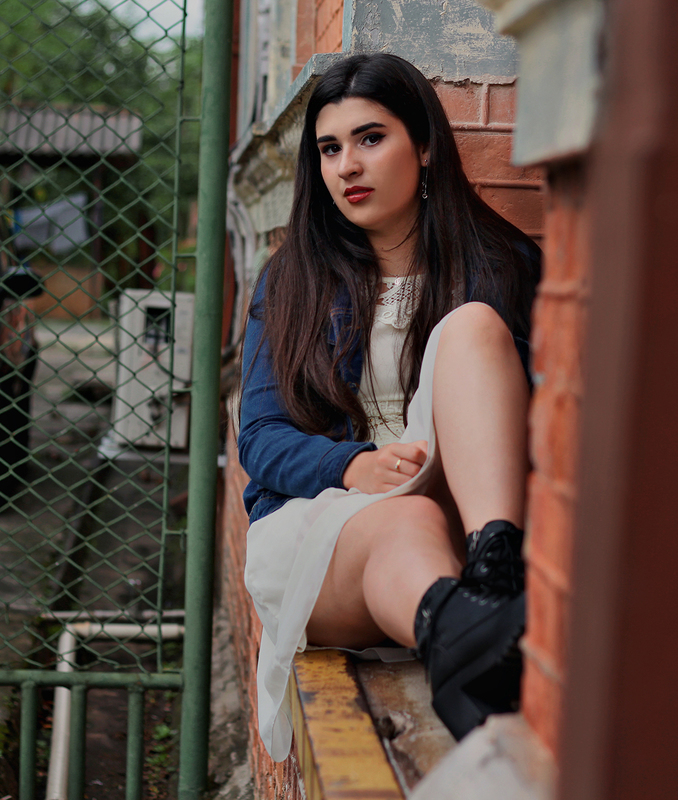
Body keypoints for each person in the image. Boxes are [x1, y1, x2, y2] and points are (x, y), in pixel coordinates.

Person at [238, 52, 541, 762]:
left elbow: (538, 418)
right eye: (330, 148)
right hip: (319, 529)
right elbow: (260, 436)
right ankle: (475, 632)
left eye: (371, 138)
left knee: (472, 327)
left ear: (426, 146)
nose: (347, 166)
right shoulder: (292, 280)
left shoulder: (500, 264)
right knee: (404, 515)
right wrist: (351, 466)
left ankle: (490, 591)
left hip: (454, 514)